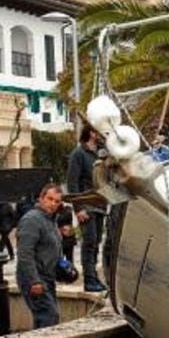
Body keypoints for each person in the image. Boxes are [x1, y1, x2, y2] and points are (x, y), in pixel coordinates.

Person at [17, 183, 64, 329]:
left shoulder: (50, 220)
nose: (53, 204)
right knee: (49, 316)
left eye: (57, 201)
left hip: (47, 277)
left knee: (44, 319)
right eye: (50, 199)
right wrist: (34, 281)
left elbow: (54, 249)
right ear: (41, 198)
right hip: (35, 278)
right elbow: (25, 253)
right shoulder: (31, 220)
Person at [67, 125, 108, 293]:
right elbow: (72, 182)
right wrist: (78, 208)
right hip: (86, 205)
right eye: (99, 131)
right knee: (89, 241)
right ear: (91, 133)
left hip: (100, 204)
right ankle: (89, 280)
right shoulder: (78, 154)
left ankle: (94, 277)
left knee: (96, 242)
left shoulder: (100, 153)